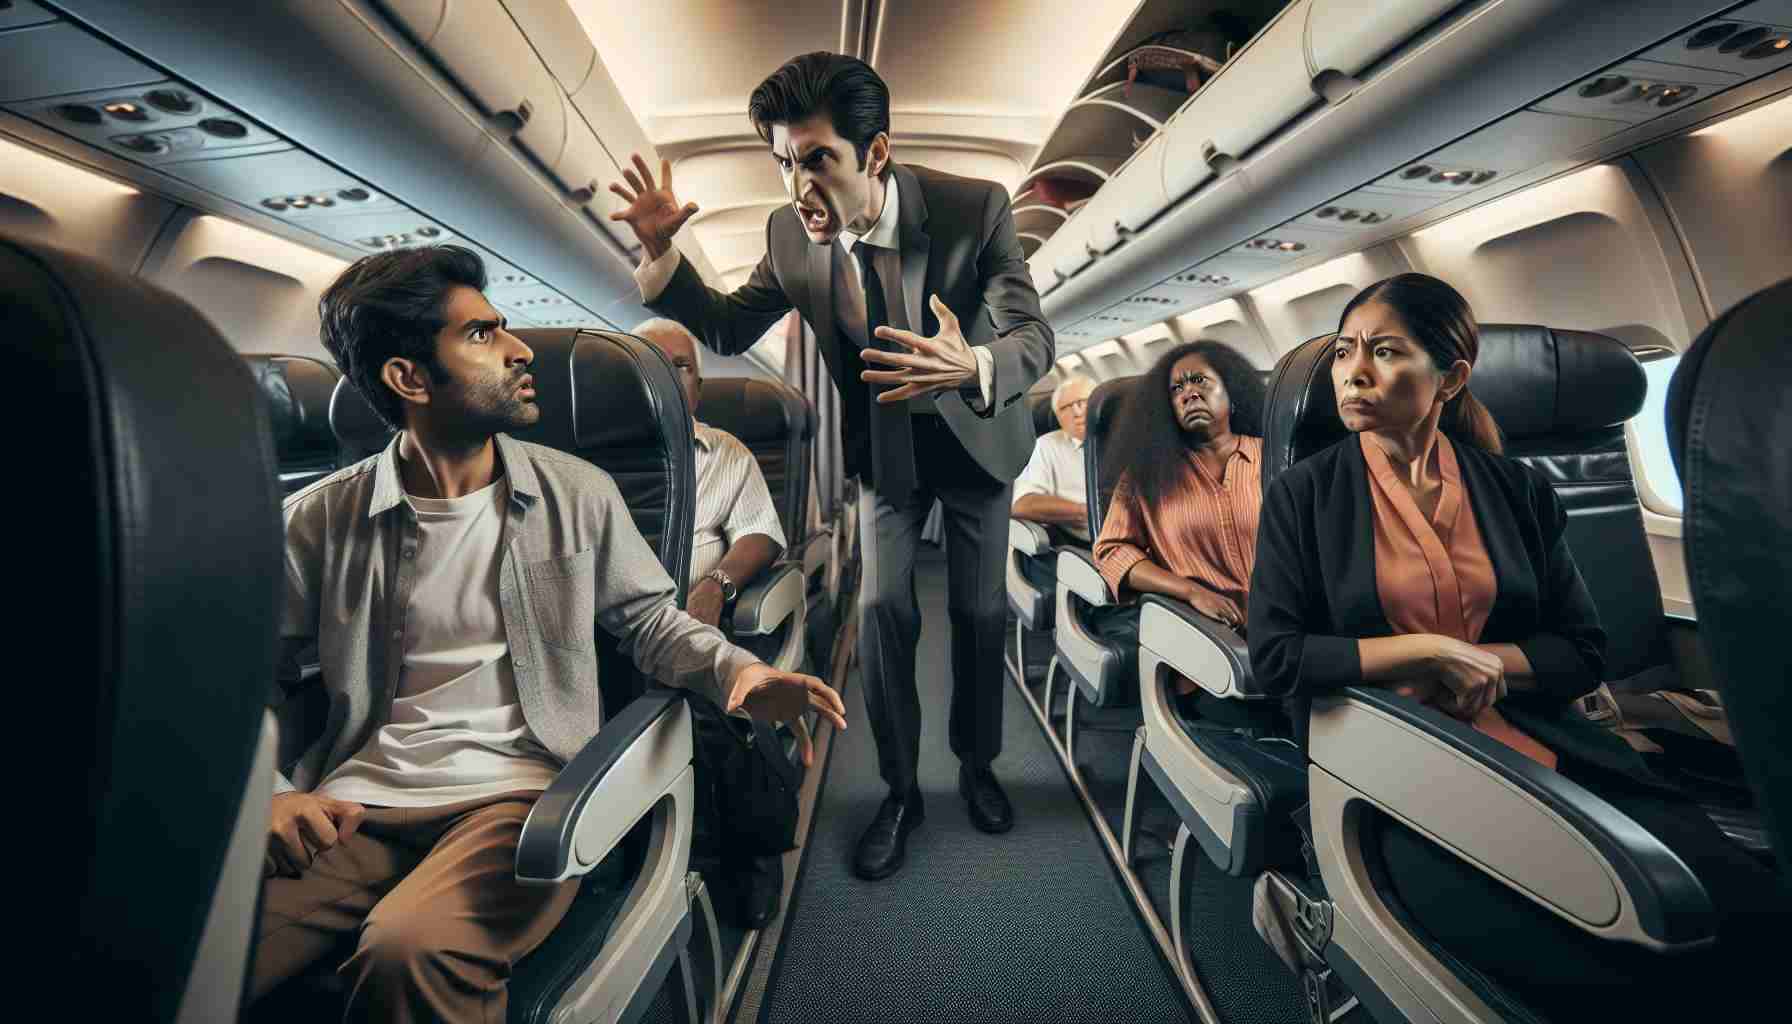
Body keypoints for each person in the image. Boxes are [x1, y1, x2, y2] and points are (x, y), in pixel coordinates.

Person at [250, 246, 847, 1022]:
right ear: (408, 379)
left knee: (407, 950)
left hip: (518, 802)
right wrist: (269, 793)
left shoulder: (575, 493)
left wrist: (740, 676)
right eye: (482, 335)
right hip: (355, 806)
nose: (521, 346)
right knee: (190, 940)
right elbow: (241, 676)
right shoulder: (321, 520)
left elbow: (650, 624)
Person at [1247, 272, 1788, 1019]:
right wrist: (1428, 651)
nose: (1354, 372)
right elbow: (1276, 658)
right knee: (1607, 969)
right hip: (1392, 770)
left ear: (1451, 378)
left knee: (1741, 912)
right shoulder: (1303, 494)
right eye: (1344, 353)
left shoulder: (1515, 489)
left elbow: (1580, 648)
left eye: (1385, 351)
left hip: (1545, 745)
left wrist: (1491, 663)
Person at [609, 52, 1054, 880]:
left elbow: (1032, 333)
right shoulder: (789, 235)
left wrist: (975, 367)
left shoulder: (971, 208)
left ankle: (978, 764)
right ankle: (898, 790)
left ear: (875, 154)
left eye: (817, 160)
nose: (796, 187)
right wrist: (664, 258)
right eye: (783, 161)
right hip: (888, 448)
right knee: (886, 610)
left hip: (976, 437)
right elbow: (726, 328)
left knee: (981, 613)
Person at [636, 316, 791, 928]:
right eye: (650, 360)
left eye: (682, 364)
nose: (670, 376)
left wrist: (717, 583)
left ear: (699, 384)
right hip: (610, 627)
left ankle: (746, 848)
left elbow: (762, 531)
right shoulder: (578, 459)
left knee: (714, 712)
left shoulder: (726, 453)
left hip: (688, 626)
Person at [1092, 341, 1267, 713]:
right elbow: (1112, 551)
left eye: (1200, 380)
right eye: (1177, 388)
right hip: (1206, 643)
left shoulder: (1274, 457)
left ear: (1231, 393)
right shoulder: (1146, 475)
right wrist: (1188, 590)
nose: (1189, 393)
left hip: (1286, 639)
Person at [1012, 374, 1095, 545]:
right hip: (1081, 543)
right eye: (1067, 407)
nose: (1077, 412)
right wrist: (1086, 512)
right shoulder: (1045, 447)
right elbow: (1022, 503)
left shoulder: (1124, 439)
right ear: (1057, 417)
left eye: (1083, 402)